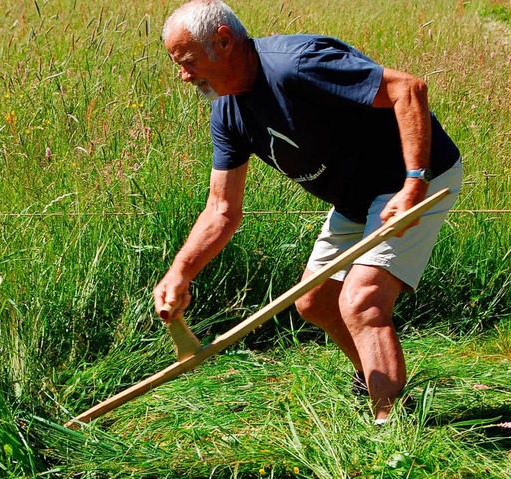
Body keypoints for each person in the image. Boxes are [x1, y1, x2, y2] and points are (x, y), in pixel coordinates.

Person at [153, 0, 462, 424]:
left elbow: (408, 88)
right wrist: (180, 271)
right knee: (316, 301)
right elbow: (222, 208)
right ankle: (373, 380)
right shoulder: (228, 111)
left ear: (223, 41)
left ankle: (393, 431)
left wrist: (414, 183)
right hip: (355, 199)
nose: (184, 76)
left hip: (411, 179)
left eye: (188, 62)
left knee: (362, 301)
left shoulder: (296, 66)